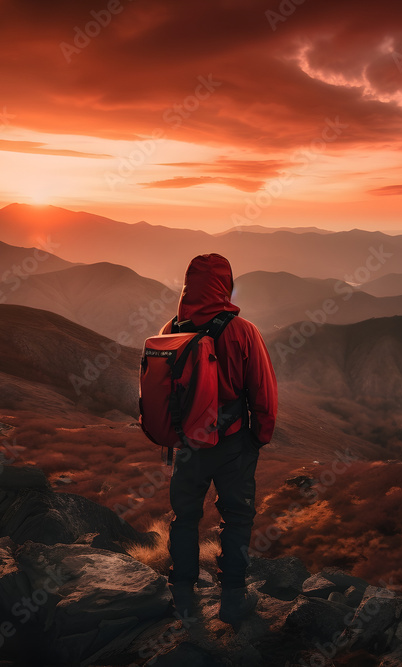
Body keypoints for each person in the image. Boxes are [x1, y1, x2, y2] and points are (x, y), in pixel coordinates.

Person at [163, 253, 277, 629]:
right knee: (238, 517)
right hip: (232, 442)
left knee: (184, 517)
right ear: (226, 285)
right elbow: (262, 390)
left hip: (188, 444)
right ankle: (232, 599)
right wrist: (259, 437)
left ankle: (181, 594)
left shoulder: (172, 328)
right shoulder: (242, 330)